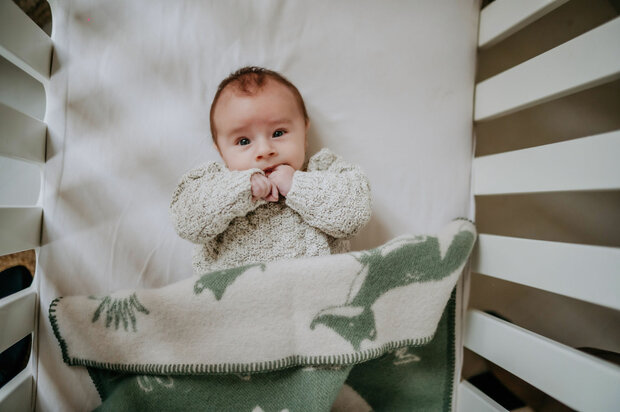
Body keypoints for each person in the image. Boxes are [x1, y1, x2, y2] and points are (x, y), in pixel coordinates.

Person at [170, 66, 372, 275]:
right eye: (244, 141)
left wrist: (298, 185)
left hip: (316, 294)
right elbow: (186, 223)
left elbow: (353, 217)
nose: (265, 151)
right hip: (237, 299)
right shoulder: (211, 182)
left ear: (304, 133)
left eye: (278, 133)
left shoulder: (323, 170)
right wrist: (240, 188)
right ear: (221, 151)